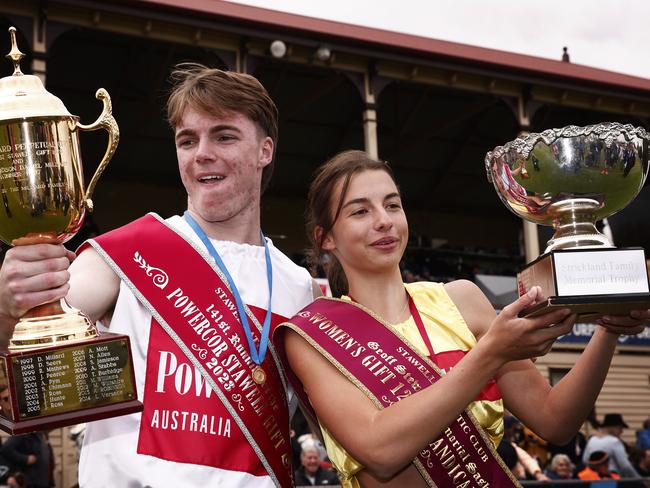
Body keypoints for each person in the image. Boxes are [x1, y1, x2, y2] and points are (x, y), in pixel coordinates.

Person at [0, 64, 317, 487]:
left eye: (224, 135)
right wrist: (6, 309)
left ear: (265, 151)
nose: (202, 152)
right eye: (188, 140)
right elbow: (24, 370)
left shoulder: (302, 288)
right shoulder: (127, 253)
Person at [275, 150, 649, 487]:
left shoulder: (462, 300)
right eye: (360, 211)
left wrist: (608, 330)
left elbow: (556, 421)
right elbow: (381, 452)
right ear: (326, 238)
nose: (384, 221)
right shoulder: (312, 335)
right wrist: (490, 353)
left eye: (392, 205)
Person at [583, 413, 640, 478]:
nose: (621, 431)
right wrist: (639, 479)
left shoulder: (592, 440)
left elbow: (585, 460)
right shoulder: (614, 441)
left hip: (594, 478)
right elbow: (625, 466)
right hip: (612, 477)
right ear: (614, 428)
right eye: (620, 428)